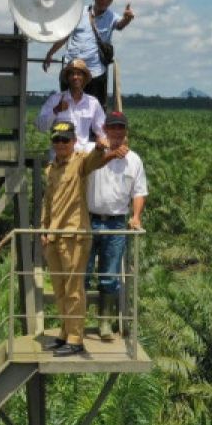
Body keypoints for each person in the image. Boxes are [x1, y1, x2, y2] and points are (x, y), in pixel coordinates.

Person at [39, 120, 122, 357]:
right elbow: (48, 202)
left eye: (65, 140)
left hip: (74, 235)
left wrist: (100, 147)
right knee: (60, 289)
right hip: (54, 237)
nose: (61, 144)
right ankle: (65, 333)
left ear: (74, 141)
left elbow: (95, 160)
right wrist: (43, 229)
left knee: (74, 289)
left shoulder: (80, 162)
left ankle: (76, 339)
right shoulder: (51, 168)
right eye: (57, 139)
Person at [85, 111, 148, 340]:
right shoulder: (94, 153)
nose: (117, 132)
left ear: (126, 131)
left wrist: (137, 216)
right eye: (112, 128)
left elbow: (140, 191)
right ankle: (75, 324)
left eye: (120, 128)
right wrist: (104, 149)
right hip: (89, 220)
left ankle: (104, 324)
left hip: (116, 224)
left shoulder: (134, 160)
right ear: (105, 130)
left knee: (110, 276)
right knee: (83, 273)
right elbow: (82, 161)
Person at [42, 0, 134, 105]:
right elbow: (64, 36)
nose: (104, 0)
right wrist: (50, 53)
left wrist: (127, 19)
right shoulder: (79, 13)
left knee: (94, 110)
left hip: (95, 72)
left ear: (111, 1)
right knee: (67, 108)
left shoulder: (112, 16)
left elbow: (120, 25)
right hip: (72, 70)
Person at [34, 59, 105, 151]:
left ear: (84, 78)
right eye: (72, 74)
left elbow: (103, 130)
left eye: (79, 74)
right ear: (67, 78)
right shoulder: (55, 99)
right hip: (59, 156)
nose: (75, 77)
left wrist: (101, 139)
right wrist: (56, 110)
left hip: (82, 156)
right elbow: (40, 126)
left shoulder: (93, 103)